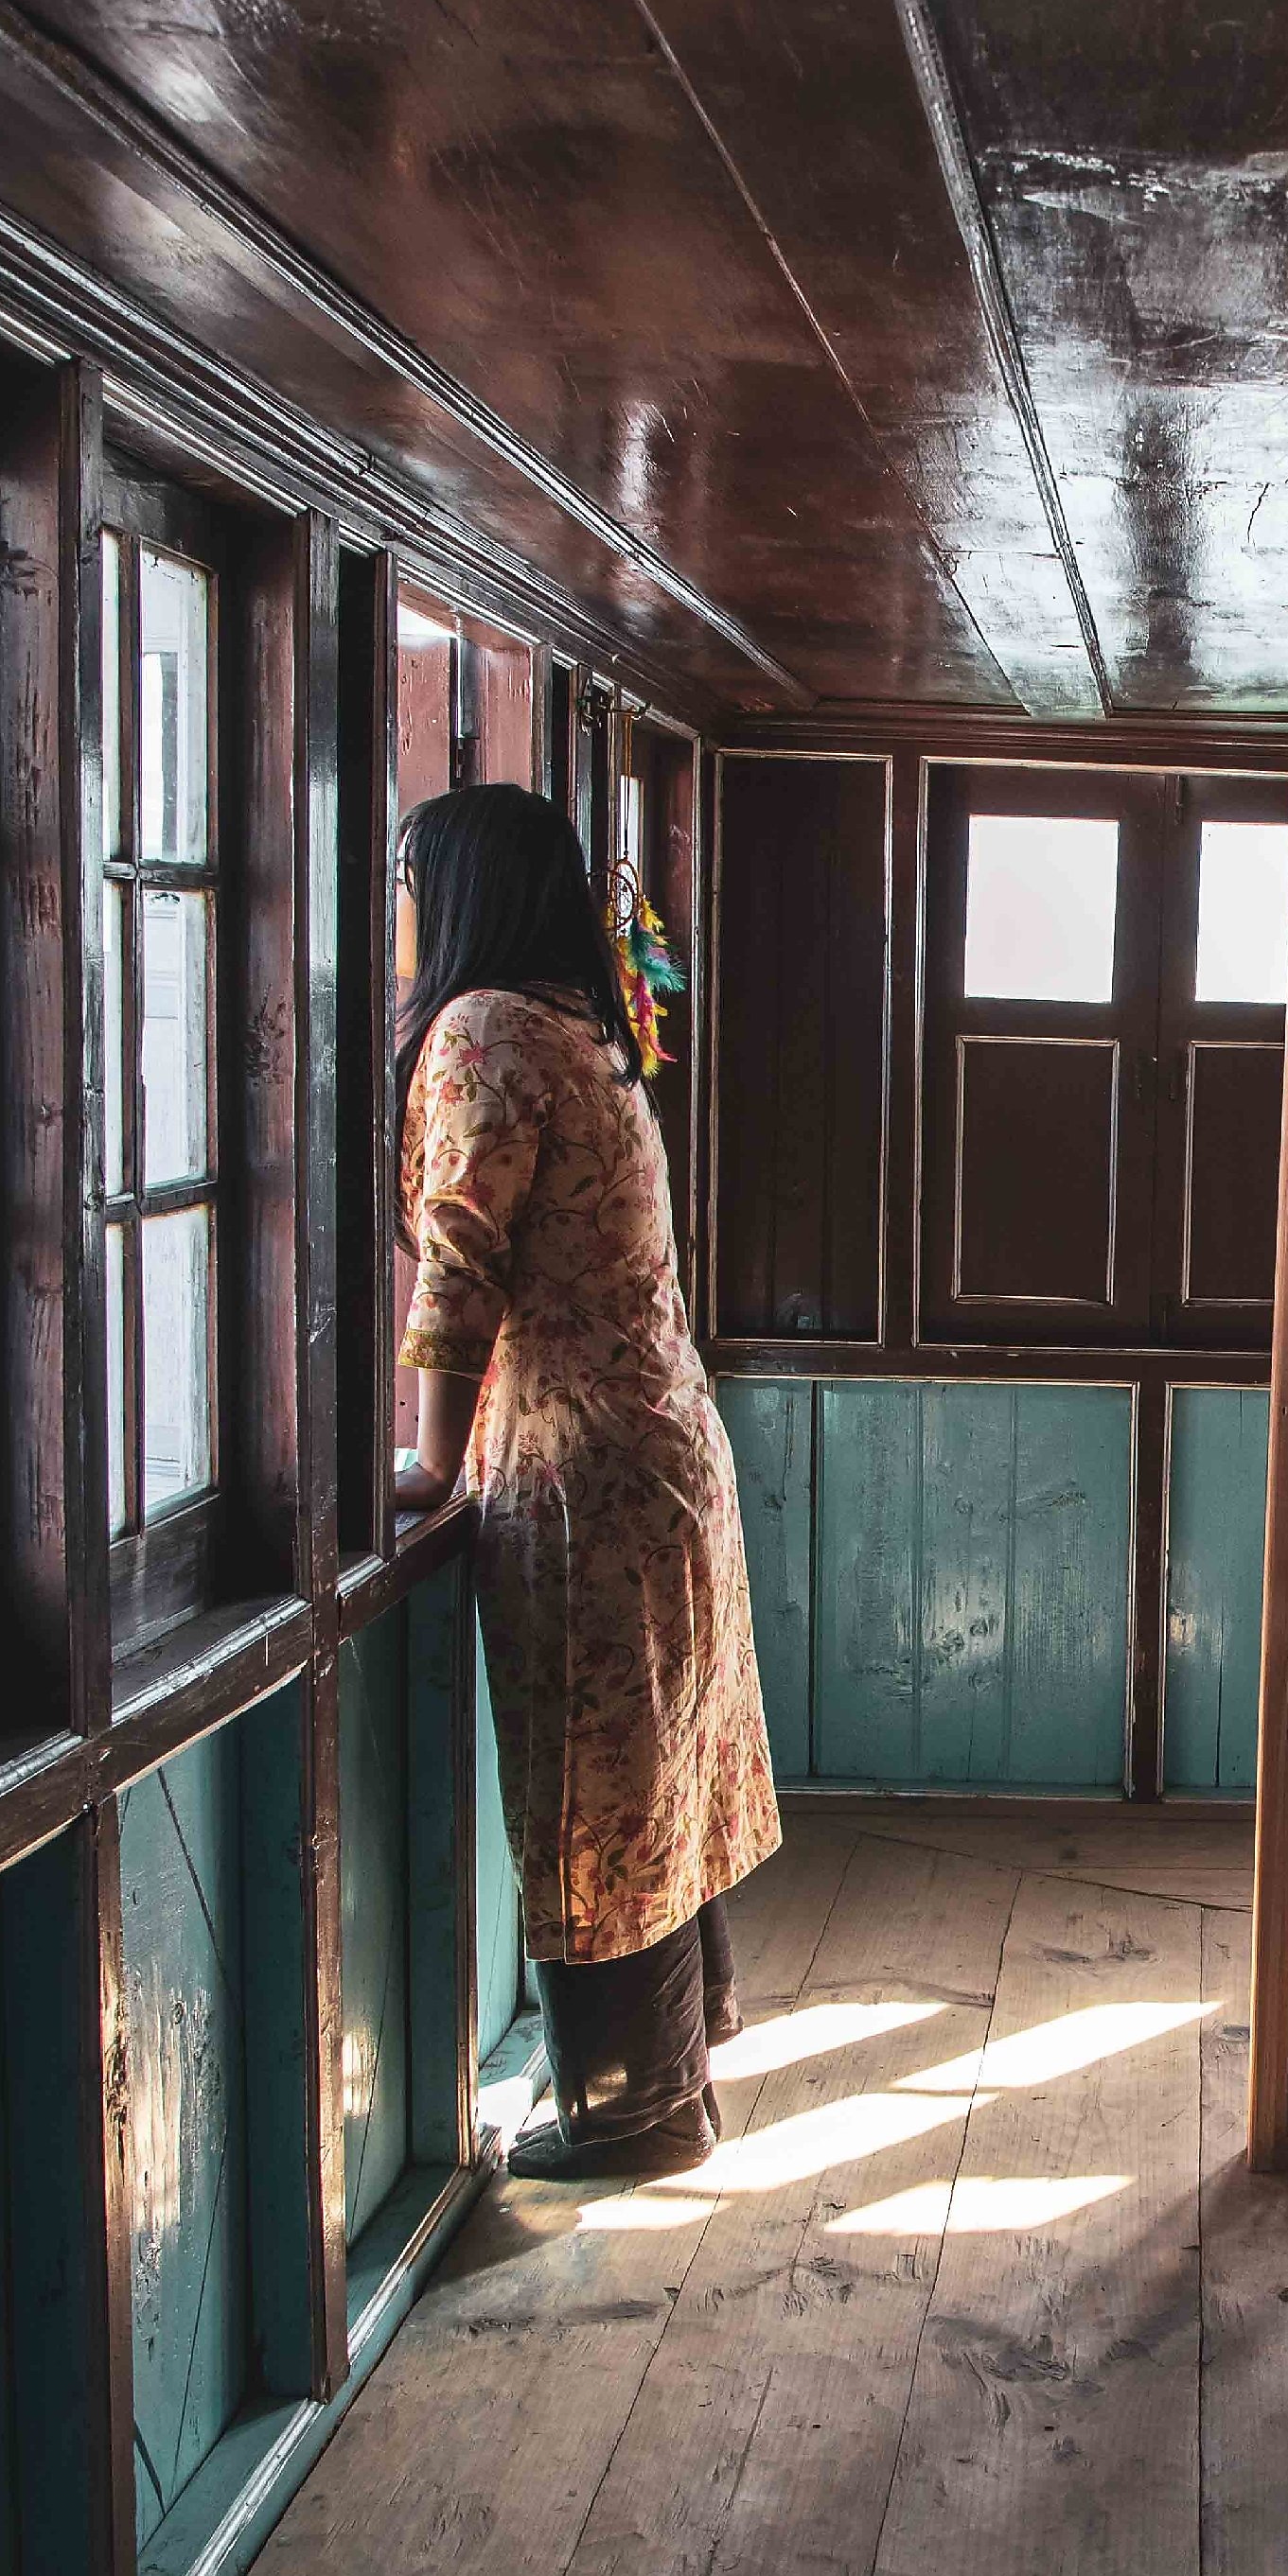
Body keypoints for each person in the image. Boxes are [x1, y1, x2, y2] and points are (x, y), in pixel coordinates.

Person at [391, 784, 782, 2178]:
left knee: (594, 1791)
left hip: (579, 1469)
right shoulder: (584, 1032)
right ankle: (682, 2053)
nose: (400, 915)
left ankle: (637, 2113)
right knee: (655, 1769)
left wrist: (430, 1464)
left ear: (457, 895)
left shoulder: (485, 1030)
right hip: (663, 1443)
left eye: (409, 884)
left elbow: (460, 1262)